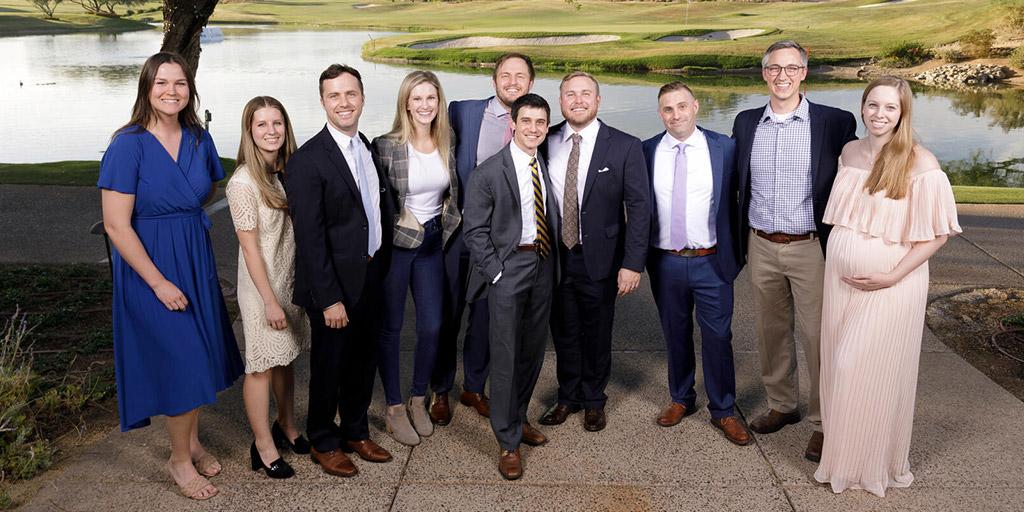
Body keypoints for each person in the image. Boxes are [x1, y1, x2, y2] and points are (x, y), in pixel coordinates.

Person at [97, 52, 243, 500]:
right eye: (162, 83)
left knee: (200, 355)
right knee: (183, 361)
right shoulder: (128, 144)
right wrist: (158, 281)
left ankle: (193, 443)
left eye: (180, 83)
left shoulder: (199, 139)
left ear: (190, 90)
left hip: (194, 261)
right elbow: (116, 224)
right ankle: (179, 462)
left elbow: (208, 187)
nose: (171, 91)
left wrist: (183, 212)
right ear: (146, 87)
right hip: (150, 267)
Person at [814, 76, 960, 497]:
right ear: (862, 107)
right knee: (842, 375)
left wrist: (892, 275)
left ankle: (873, 465)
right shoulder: (849, 152)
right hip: (841, 283)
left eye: (890, 108)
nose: (880, 114)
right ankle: (842, 463)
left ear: (903, 113)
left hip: (893, 286)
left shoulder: (921, 163)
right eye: (873, 105)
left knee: (861, 368)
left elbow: (936, 235)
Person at [732, 40, 857, 462]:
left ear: (805, 72)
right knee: (771, 332)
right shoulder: (747, 122)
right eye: (773, 68)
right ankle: (782, 405)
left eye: (790, 68)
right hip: (761, 244)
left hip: (811, 246)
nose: (781, 75)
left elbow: (866, 165)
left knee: (818, 335)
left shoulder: (834, 123)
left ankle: (825, 421)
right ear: (764, 73)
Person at [283, 64, 395, 478]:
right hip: (332, 287)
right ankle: (323, 440)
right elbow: (310, 239)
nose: (344, 103)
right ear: (323, 102)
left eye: (350, 94)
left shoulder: (365, 145)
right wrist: (329, 298)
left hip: (370, 274)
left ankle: (355, 430)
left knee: (363, 361)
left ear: (362, 97)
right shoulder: (308, 161)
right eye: (335, 96)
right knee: (330, 366)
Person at [538, 71, 650, 432]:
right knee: (564, 330)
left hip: (600, 257)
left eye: (586, 93)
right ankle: (567, 396)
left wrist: (632, 264)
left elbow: (640, 207)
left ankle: (594, 400)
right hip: (555, 257)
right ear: (561, 100)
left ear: (598, 100)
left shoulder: (625, 145)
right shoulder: (545, 138)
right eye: (570, 94)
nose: (578, 100)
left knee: (597, 331)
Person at [430, 53, 537, 425]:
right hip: (461, 233)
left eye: (520, 76)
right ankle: (439, 389)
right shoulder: (463, 112)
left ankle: (474, 386)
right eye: (505, 75)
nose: (512, 81)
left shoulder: (536, 123)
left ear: (531, 83)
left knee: (489, 317)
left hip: (504, 241)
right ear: (493, 81)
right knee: (449, 313)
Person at [642, 82, 750, 446]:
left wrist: (738, 254)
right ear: (660, 114)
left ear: (696, 106)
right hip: (666, 262)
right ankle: (681, 398)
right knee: (675, 333)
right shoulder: (647, 151)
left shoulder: (724, 148)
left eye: (682, 106)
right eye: (668, 109)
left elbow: (742, 198)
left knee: (718, 336)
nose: (676, 115)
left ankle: (723, 410)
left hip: (711, 261)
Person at [463, 93, 559, 480]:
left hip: (543, 263)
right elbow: (475, 231)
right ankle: (506, 441)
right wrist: (497, 273)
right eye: (527, 121)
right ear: (513, 125)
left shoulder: (545, 165)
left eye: (541, 123)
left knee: (532, 351)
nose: (534, 129)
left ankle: (518, 419)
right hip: (508, 267)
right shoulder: (488, 172)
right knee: (504, 356)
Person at [371, 71, 461, 446]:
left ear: (439, 102)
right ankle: (393, 407)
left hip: (432, 245)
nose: (425, 105)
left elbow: (449, 192)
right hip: (398, 247)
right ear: (405, 102)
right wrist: (398, 221)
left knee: (433, 326)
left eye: (431, 98)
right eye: (417, 98)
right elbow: (376, 200)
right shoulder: (386, 145)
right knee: (391, 328)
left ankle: (419, 397)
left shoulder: (447, 139)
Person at [226, 96, 311, 480]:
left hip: (287, 279)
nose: (271, 131)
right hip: (264, 287)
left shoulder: (283, 171)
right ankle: (263, 446)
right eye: (261, 124)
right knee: (261, 366)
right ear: (249, 131)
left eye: (277, 122)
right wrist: (270, 301)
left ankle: (287, 425)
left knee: (286, 357)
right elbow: (250, 249)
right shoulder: (244, 183)